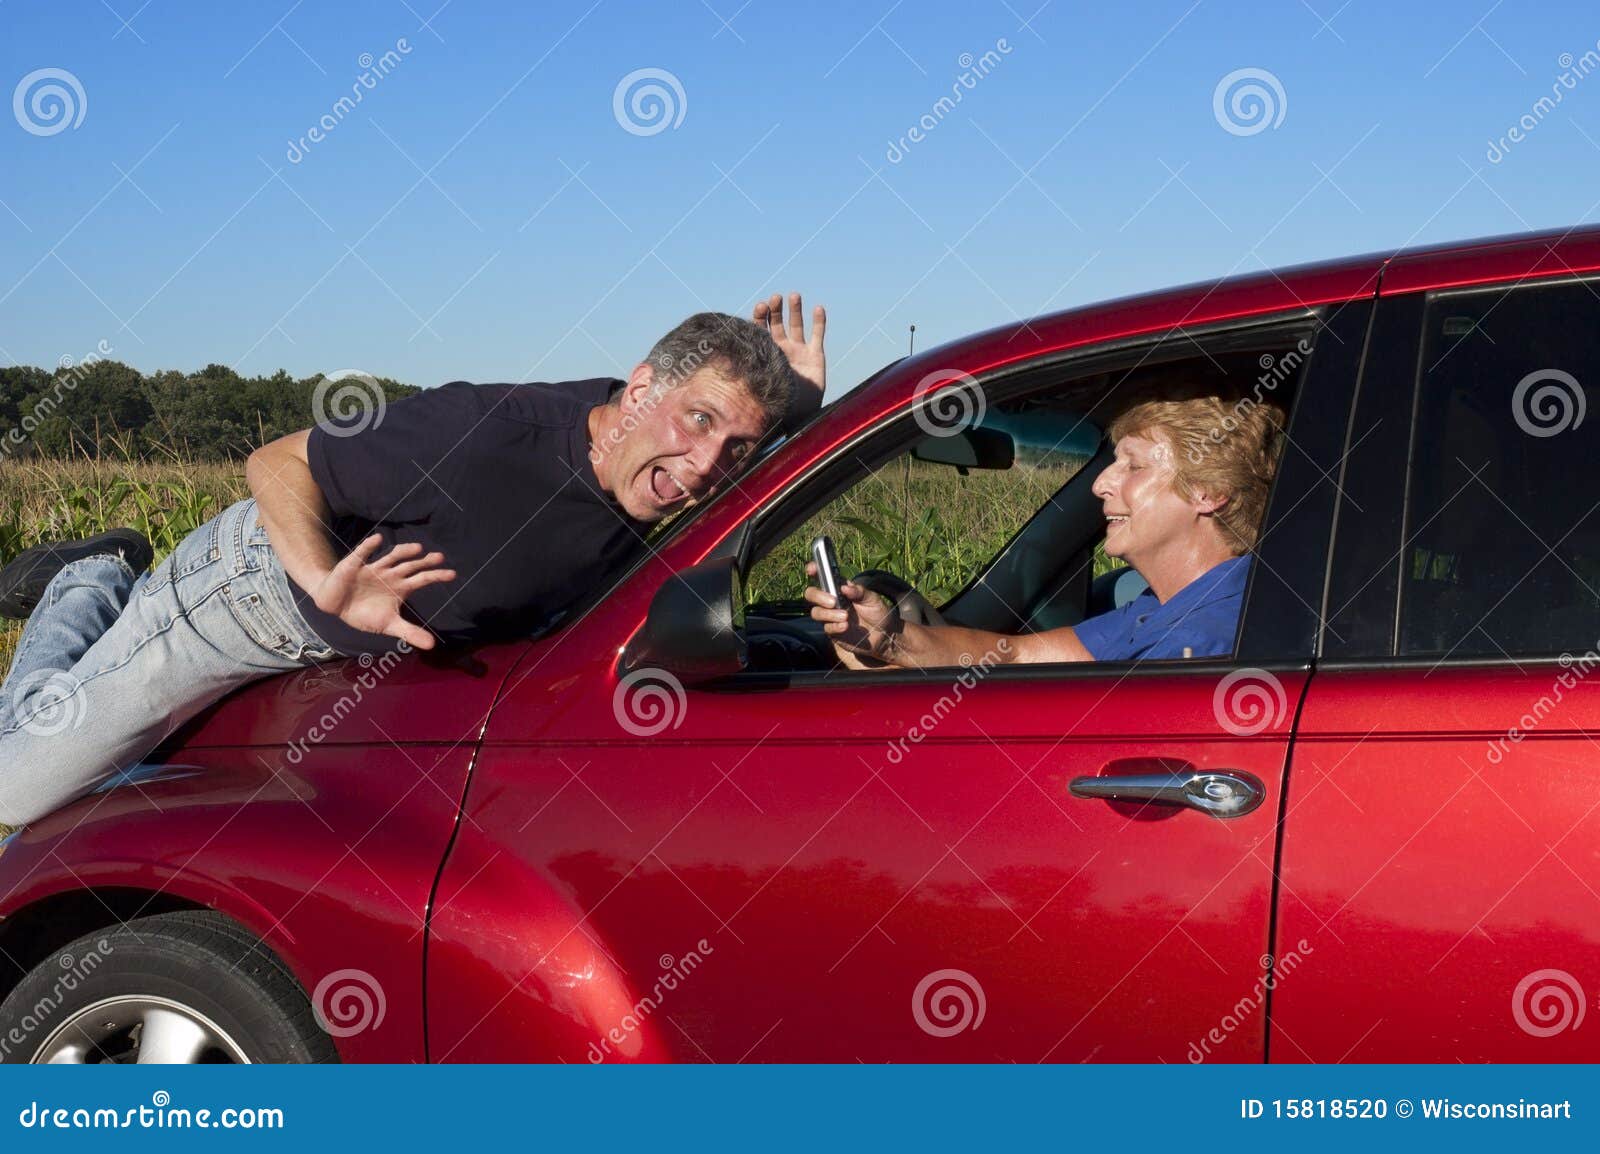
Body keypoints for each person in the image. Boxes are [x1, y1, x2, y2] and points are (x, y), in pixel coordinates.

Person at [0, 294, 826, 827]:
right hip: (246, 598)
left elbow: (746, 487)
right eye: (699, 420)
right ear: (641, 391)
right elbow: (277, 463)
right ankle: (92, 578)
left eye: (739, 447)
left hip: (356, 642)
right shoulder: (481, 436)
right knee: (19, 789)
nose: (709, 464)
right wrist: (328, 579)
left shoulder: (664, 474)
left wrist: (804, 420)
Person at [805, 395, 1282, 667]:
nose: (1101, 483)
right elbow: (1016, 656)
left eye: (1131, 466)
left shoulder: (1205, 641)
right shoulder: (1168, 606)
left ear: (1206, 492)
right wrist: (890, 638)